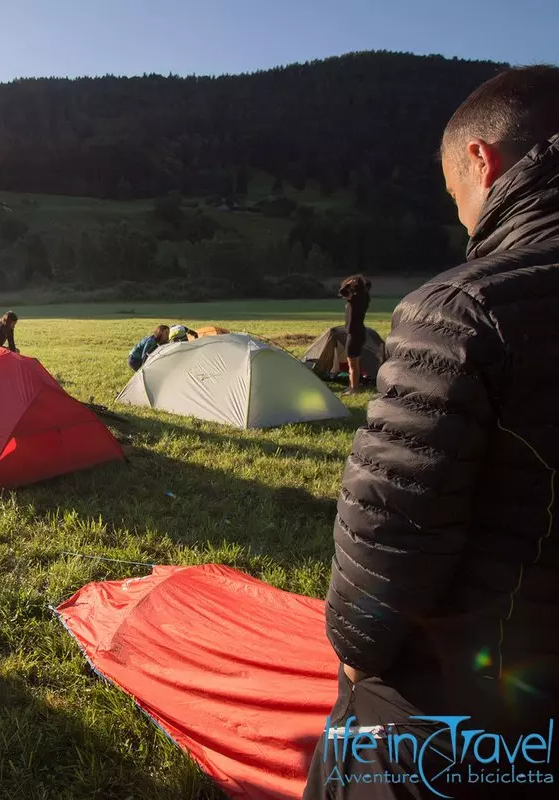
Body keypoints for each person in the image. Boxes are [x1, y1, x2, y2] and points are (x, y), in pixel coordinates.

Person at [303, 66, 559, 799]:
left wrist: (356, 657)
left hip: (486, 715)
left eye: (459, 201)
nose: (466, 224)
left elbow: (391, 524)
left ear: (483, 160)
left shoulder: (465, 309)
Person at [337, 274, 371, 394]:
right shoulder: (364, 298)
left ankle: (354, 388)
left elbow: (342, 291)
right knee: (354, 362)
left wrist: (347, 285)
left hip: (354, 333)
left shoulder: (355, 299)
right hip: (360, 332)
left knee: (352, 363)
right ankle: (352, 386)